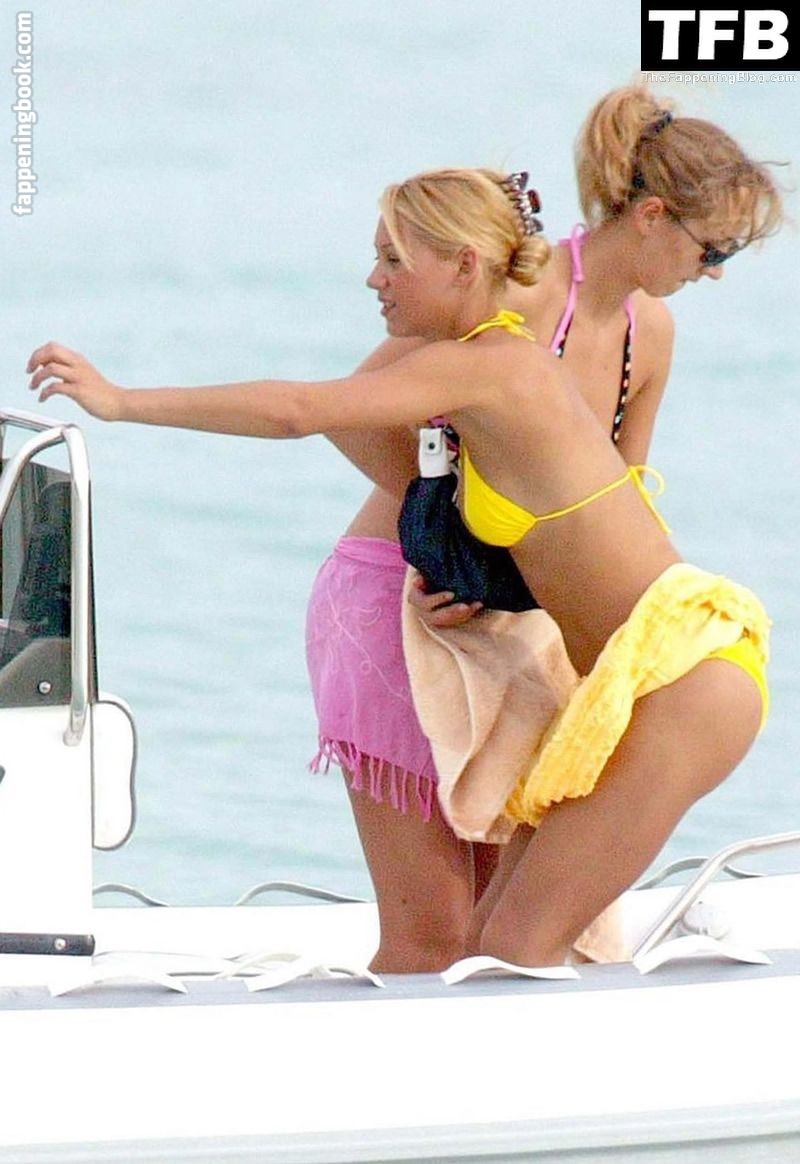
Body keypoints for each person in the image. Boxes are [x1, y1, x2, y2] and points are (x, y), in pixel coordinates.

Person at [27, 154, 781, 967]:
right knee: (488, 946)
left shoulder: (490, 368)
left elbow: (301, 409)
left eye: (394, 259)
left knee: (514, 946)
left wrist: (122, 402)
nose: (374, 279)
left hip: (682, 680)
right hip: (638, 680)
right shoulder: (492, 367)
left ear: (464, 266)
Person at [304, 85, 778, 972]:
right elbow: (351, 411)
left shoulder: (650, 333)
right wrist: (453, 540)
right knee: (433, 931)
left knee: (493, 927)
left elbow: (619, 497)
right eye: (712, 248)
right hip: (403, 592)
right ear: (652, 216)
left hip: (511, 620)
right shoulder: (520, 293)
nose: (714, 270)